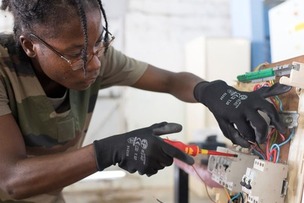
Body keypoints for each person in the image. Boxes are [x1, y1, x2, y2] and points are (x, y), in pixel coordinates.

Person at [0, 0, 291, 202]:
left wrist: (213, 92)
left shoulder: (96, 56)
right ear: (30, 45)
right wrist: (109, 151)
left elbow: (170, 81)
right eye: (75, 54)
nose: (94, 63)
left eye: (101, 41)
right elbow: (11, 179)